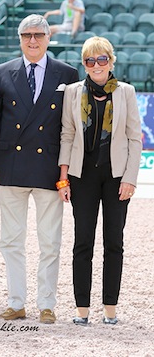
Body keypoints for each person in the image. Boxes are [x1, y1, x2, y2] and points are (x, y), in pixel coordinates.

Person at [0, 14, 79, 323]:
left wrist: (67, 172)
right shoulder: (2, 72)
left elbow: (71, 128)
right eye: (27, 35)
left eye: (39, 34)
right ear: (20, 39)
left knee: (50, 241)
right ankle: (16, 302)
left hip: (50, 170)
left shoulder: (67, 73)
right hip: (10, 167)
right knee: (11, 241)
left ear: (49, 38)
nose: (33, 40)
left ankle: (47, 305)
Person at [57, 36, 142, 326]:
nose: (96, 65)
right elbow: (67, 135)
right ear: (84, 64)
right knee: (82, 243)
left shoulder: (126, 93)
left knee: (114, 243)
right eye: (90, 60)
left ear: (111, 61)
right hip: (82, 177)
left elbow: (134, 139)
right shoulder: (72, 92)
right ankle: (82, 309)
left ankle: (110, 308)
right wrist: (63, 178)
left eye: (102, 59)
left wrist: (130, 178)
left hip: (117, 177)